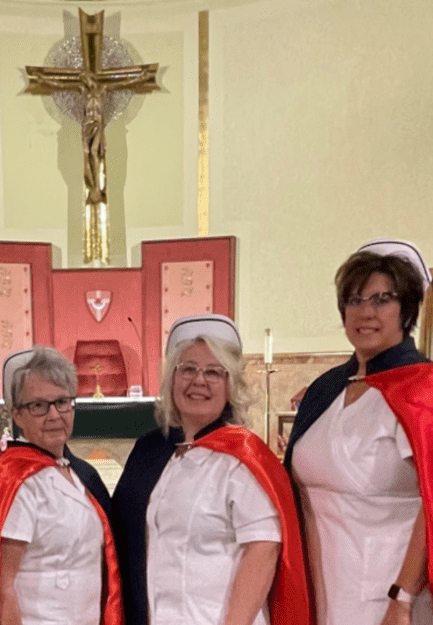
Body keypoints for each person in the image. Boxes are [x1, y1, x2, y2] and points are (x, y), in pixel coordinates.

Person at [112, 314, 309, 625]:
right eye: (188, 369)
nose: (199, 381)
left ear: (231, 385)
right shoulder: (151, 452)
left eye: (214, 372)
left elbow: (263, 549)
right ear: (172, 379)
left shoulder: (244, 458)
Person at [286, 240, 433, 625]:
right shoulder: (326, 388)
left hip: (389, 598)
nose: (365, 312)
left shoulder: (423, 390)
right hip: (321, 589)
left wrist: (402, 597)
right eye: (354, 299)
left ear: (407, 310)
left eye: (382, 299)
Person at [0, 346, 120, 625]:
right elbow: (3, 587)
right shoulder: (16, 480)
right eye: (38, 406)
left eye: (62, 402)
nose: (54, 415)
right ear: (18, 415)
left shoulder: (77, 474)